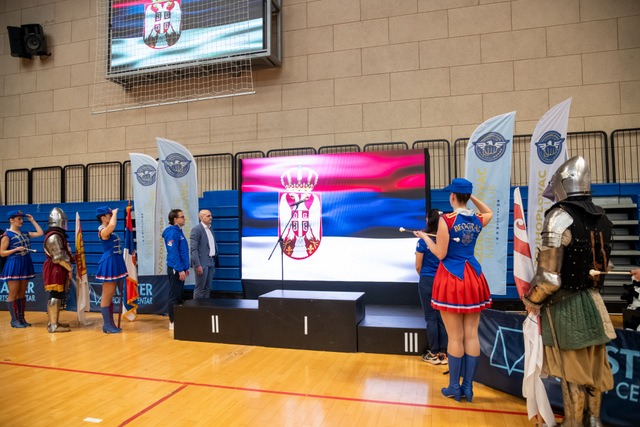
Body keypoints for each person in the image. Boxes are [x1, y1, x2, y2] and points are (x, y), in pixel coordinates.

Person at [522, 156, 615, 427]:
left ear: (563, 184)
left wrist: (531, 300)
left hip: (566, 306)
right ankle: (594, 421)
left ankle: (574, 423)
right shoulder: (602, 217)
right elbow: (605, 265)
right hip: (595, 303)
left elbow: (549, 279)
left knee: (572, 372)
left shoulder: (559, 217)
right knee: (594, 369)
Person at [414, 178, 493, 402]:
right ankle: (468, 388)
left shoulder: (446, 219)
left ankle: (454, 388)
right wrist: (470, 196)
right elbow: (488, 212)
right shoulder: (477, 219)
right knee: (471, 335)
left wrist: (424, 238)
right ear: (467, 196)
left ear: (452, 196)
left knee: (455, 337)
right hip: (473, 276)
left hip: (452, 277)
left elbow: (440, 253)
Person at [415, 208, 448, 365]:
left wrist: (425, 277)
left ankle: (434, 353)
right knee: (442, 318)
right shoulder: (446, 239)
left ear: (429, 220)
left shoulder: (423, 241)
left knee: (431, 317)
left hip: (427, 281)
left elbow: (418, 266)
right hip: (443, 281)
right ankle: (443, 354)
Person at [1, 210, 44, 328]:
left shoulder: (24, 233)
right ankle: (14, 320)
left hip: (25, 263)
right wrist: (15, 250)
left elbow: (40, 233)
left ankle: (21, 318)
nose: (21, 221)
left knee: (22, 292)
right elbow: (2, 253)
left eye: (22, 219)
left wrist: (32, 220)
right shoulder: (7, 235)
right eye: (19, 219)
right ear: (11, 220)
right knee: (13, 293)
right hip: (14, 264)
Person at [95, 206, 128, 334]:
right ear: (103, 218)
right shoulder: (102, 231)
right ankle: (107, 324)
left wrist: (113, 214)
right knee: (107, 294)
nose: (111, 217)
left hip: (116, 262)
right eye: (109, 215)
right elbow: (113, 225)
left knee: (111, 294)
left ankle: (110, 323)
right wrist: (114, 213)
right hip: (109, 263)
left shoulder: (109, 232)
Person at [42, 208, 74, 333]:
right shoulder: (54, 236)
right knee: (55, 295)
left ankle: (53, 322)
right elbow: (58, 257)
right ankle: (53, 325)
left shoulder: (58, 235)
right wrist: (70, 269)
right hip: (55, 268)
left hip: (59, 268)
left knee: (58, 295)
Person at [162, 209, 190, 330]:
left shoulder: (179, 232)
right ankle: (172, 321)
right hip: (175, 269)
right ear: (175, 219)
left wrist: (185, 268)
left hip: (180, 268)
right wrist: (179, 269)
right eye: (182, 217)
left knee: (178, 295)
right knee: (174, 295)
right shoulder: (172, 233)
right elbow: (173, 253)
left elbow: (182, 251)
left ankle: (177, 319)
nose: (184, 218)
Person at [190, 209, 218, 300]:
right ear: (201, 218)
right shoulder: (197, 229)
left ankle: (205, 306)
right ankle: (197, 307)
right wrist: (197, 265)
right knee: (200, 288)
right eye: (208, 216)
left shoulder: (210, 229)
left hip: (211, 261)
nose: (211, 217)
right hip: (202, 263)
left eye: (211, 215)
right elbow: (193, 249)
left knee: (207, 288)